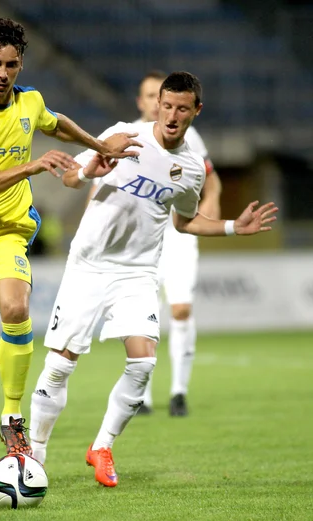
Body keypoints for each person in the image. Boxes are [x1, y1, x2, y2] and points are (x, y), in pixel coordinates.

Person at [29, 72, 277, 487]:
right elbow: (72, 178)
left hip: (138, 272)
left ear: (196, 111)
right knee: (59, 365)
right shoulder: (125, 135)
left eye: (183, 108)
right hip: (89, 265)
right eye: (167, 106)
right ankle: (33, 456)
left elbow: (185, 221)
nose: (173, 115)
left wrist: (235, 226)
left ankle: (102, 446)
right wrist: (93, 166)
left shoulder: (191, 169)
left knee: (143, 362)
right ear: (156, 105)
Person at [0, 18, 140, 454]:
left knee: (16, 307)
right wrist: (31, 166)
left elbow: (55, 122)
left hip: (5, 232)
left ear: (21, 66)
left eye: (12, 65)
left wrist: (100, 146)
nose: (3, 73)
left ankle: (11, 416)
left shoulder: (29, 102)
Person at [134, 70, 222, 416]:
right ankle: (143, 396)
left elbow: (209, 176)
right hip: (142, 237)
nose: (168, 110)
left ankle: (179, 392)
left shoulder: (190, 136)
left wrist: (212, 202)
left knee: (181, 309)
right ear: (145, 101)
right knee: (144, 315)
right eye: (153, 96)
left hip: (178, 231)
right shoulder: (128, 135)